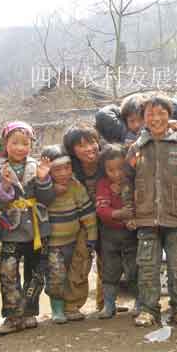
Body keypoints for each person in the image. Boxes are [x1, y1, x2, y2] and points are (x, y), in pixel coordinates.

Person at [122, 93, 177, 330]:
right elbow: (126, 183)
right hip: (146, 219)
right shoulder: (136, 148)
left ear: (169, 116)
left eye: (161, 113)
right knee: (147, 266)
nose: (156, 118)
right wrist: (130, 212)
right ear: (143, 118)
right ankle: (148, 309)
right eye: (151, 114)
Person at [0, 121, 55, 334]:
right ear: (5, 143)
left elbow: (47, 199)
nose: (19, 148)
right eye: (14, 142)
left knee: (36, 272)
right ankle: (12, 314)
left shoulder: (37, 166)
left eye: (25, 143)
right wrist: (5, 186)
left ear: (31, 144)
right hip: (11, 228)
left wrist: (44, 180)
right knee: (8, 270)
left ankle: (29, 313)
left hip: (37, 229)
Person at [41, 145, 97, 324]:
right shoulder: (44, 188)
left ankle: (71, 306)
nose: (64, 173)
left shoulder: (75, 186)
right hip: (53, 244)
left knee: (77, 274)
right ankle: (57, 308)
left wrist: (91, 236)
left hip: (74, 241)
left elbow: (87, 212)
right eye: (58, 169)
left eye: (67, 168)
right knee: (56, 276)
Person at [62, 122, 104, 318]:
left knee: (108, 261)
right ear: (72, 151)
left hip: (108, 219)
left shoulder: (107, 161)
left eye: (92, 142)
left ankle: (104, 302)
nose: (89, 148)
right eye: (81, 145)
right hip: (83, 223)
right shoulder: (70, 171)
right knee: (81, 260)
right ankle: (72, 304)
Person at [96, 144, 138, 319]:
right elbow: (102, 211)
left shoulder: (134, 182)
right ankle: (109, 304)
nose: (117, 174)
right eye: (111, 170)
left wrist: (134, 220)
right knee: (110, 271)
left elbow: (139, 204)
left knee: (135, 270)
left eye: (120, 168)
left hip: (131, 236)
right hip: (110, 237)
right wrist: (119, 214)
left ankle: (140, 303)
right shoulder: (103, 185)